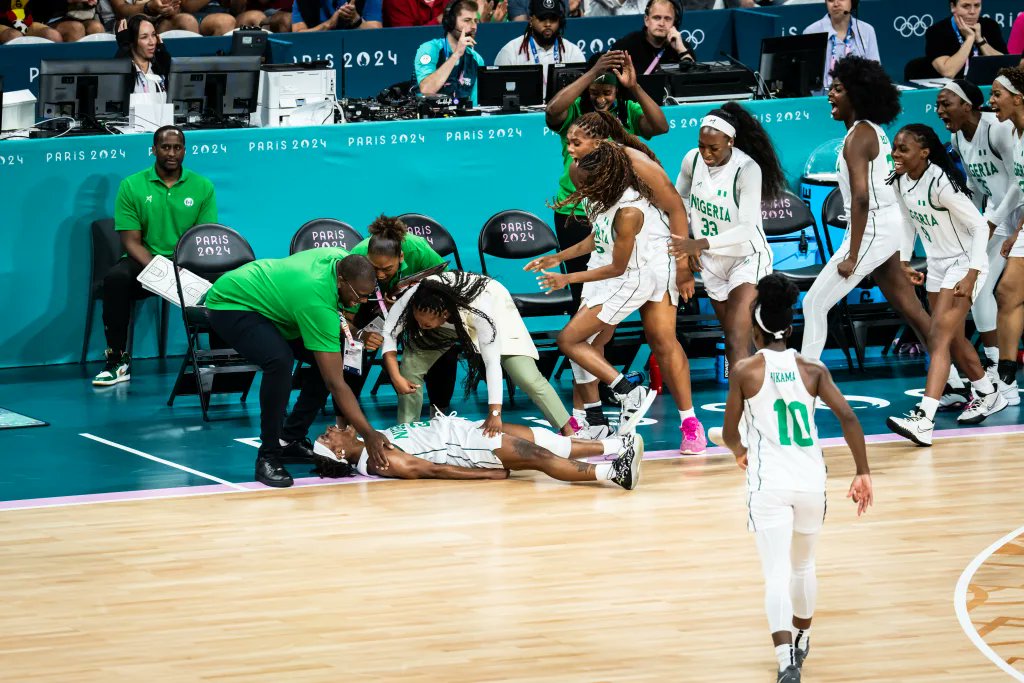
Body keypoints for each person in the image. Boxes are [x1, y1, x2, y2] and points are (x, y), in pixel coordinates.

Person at [711, 273, 872, 683]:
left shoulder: (745, 371)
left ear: (757, 324)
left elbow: (730, 433)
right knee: (803, 568)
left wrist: (740, 452)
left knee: (776, 575)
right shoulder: (813, 368)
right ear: (788, 324)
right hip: (810, 482)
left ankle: (786, 662)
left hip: (770, 484)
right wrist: (863, 472)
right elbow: (849, 418)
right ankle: (803, 639)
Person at [531, 110, 705, 453]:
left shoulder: (635, 165)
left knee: (661, 339)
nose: (569, 149)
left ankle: (689, 422)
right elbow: (598, 234)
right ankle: (590, 419)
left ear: (600, 142)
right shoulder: (583, 170)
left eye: (576, 142)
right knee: (586, 340)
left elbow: (677, 209)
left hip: (651, 259)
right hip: (613, 259)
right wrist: (560, 257)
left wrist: (684, 265)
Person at [204, 250, 394, 488]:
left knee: (338, 355)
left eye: (368, 295)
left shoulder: (340, 260)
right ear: (340, 281)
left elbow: (340, 319)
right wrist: (368, 432)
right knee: (279, 362)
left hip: (278, 304)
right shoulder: (315, 299)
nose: (363, 302)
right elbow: (335, 383)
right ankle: (268, 456)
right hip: (233, 302)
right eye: (359, 296)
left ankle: (291, 438)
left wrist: (356, 332)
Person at [799, 57, 932, 370]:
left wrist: (853, 255)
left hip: (874, 229)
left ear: (858, 94)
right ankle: (956, 379)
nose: (830, 95)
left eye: (838, 89)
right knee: (911, 310)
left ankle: (804, 389)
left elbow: (861, 199)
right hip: (888, 225)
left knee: (814, 304)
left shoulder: (858, 137)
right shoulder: (873, 130)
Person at [886, 124, 1006, 445]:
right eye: (895, 147)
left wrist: (972, 273)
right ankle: (987, 391)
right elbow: (908, 221)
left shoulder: (941, 183)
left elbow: (981, 227)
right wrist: (904, 261)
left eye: (903, 149)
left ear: (924, 153)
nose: (896, 154)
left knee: (938, 337)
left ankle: (924, 420)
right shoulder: (899, 180)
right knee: (949, 338)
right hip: (938, 264)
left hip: (965, 262)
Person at [535, 142, 663, 436]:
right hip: (598, 277)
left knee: (569, 340)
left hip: (627, 281)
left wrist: (567, 279)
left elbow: (619, 267)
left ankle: (628, 390)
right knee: (585, 348)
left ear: (605, 177)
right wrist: (558, 257)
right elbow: (596, 240)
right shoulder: (600, 200)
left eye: (587, 183)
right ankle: (596, 422)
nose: (584, 190)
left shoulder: (629, 211)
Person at [92, 126, 216, 387]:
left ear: (184, 150)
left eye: (177, 147)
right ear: (154, 150)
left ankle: (217, 361)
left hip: (187, 262)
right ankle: (117, 361)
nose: (172, 153)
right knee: (116, 280)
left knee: (225, 284)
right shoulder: (132, 185)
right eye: (165, 147)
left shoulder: (203, 186)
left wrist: (182, 270)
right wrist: (163, 273)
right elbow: (131, 242)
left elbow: (200, 239)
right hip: (143, 261)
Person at [382, 271, 577, 437]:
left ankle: (570, 430)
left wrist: (494, 413)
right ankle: (405, 433)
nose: (421, 328)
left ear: (445, 314)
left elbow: (491, 362)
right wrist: (395, 376)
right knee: (409, 369)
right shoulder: (413, 298)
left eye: (426, 325)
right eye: (418, 321)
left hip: (494, 309)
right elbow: (389, 335)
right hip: (444, 319)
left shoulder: (481, 309)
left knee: (525, 376)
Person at [546, 50, 668, 309]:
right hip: (575, 212)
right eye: (595, 92)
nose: (601, 99)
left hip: (615, 213)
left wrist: (634, 87)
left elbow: (660, 126)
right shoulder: (576, 110)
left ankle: (601, 348)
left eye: (607, 93)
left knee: (615, 289)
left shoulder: (627, 110)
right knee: (583, 295)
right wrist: (591, 72)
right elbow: (552, 111)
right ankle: (585, 345)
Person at [671, 102, 784, 370]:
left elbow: (746, 227)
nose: (706, 153)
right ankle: (769, 383)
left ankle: (747, 404)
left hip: (746, 258)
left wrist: (699, 243)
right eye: (702, 145)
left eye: (714, 147)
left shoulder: (747, 169)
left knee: (735, 339)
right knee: (741, 339)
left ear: (730, 141)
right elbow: (679, 201)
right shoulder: (692, 160)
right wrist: (688, 244)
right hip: (712, 263)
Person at [937, 78, 1024, 405]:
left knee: (994, 289)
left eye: (947, 103)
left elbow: (1018, 182)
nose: (940, 110)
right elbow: (975, 185)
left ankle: (998, 368)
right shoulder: (957, 136)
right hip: (999, 217)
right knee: (987, 289)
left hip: (1011, 215)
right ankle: (997, 370)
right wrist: (968, 220)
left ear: (967, 104)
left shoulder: (998, 129)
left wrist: (992, 222)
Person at [312, 416, 645, 490]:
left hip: (466, 429)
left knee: (546, 440)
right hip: (470, 448)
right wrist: (485, 473)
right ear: (340, 452)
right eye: (327, 439)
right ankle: (614, 472)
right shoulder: (378, 460)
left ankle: (617, 446)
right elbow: (428, 469)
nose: (329, 430)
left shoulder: (370, 442)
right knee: (540, 457)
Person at [341, 215, 459, 413]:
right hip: (369, 304)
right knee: (353, 349)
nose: (379, 275)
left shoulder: (418, 249)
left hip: (415, 304)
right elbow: (347, 312)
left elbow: (447, 286)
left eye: (387, 268)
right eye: (374, 268)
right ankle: (346, 418)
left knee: (444, 344)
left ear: (401, 257)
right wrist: (359, 336)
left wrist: (411, 302)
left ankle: (440, 414)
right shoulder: (358, 255)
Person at [989, 67, 1024, 404]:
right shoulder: (1014, 135)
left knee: (1008, 291)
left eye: (997, 94)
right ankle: (1007, 379)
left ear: (1018, 98)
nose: (992, 101)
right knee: (1008, 292)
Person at [493, 0, 585, 93]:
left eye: (553, 19)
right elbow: (498, 93)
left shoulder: (573, 52)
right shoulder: (510, 52)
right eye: (542, 18)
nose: (548, 24)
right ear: (531, 20)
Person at [412, 0, 486, 106]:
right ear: (450, 22)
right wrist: (456, 55)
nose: (473, 26)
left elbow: (474, 105)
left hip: (462, 120)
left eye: (475, 21)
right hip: (429, 119)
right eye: (467, 20)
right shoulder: (429, 49)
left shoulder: (476, 59)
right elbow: (426, 90)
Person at [802, 0, 879, 92]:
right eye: (831, 0)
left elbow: (876, 74)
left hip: (859, 97)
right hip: (824, 99)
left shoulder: (867, 30)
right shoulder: (811, 32)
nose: (836, 4)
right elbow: (806, 82)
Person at [925, 0, 1007, 80]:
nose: (972, 11)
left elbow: (1005, 68)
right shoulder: (937, 31)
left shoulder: (990, 26)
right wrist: (970, 38)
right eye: (966, 6)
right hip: (952, 90)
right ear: (953, 7)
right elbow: (948, 72)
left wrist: (980, 40)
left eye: (977, 5)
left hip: (986, 87)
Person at [613, 0, 695, 76]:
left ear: (674, 23)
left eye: (667, 19)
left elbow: (694, 81)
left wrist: (681, 50)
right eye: (657, 18)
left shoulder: (682, 47)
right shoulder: (627, 45)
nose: (662, 23)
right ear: (646, 20)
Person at [115, 15, 169, 94]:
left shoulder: (160, 65)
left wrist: (165, 59)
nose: (152, 42)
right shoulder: (123, 67)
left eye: (153, 35)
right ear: (131, 41)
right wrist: (124, 48)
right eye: (144, 37)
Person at [110, 0, 200, 35]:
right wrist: (148, 7)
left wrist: (170, 8)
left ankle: (192, 71)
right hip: (129, 19)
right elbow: (120, 10)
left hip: (161, 19)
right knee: (142, 22)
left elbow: (178, 5)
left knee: (188, 21)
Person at [291, 0, 382, 31]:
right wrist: (327, 25)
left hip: (357, 48)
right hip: (318, 49)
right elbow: (298, 36)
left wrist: (356, 20)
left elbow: (378, 35)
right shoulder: (302, 1)